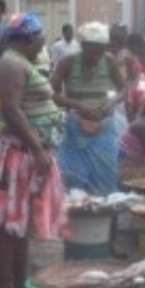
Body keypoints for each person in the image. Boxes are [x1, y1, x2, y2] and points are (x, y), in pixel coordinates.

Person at [0, 12, 65, 288]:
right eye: (40, 37)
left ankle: (20, 285)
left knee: (19, 225)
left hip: (26, 154)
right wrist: (37, 147)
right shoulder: (12, 64)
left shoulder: (20, 61)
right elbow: (10, 109)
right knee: (8, 228)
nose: (43, 42)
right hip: (16, 154)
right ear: (27, 37)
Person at [53, 21, 126, 196]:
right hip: (76, 125)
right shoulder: (67, 62)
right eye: (93, 49)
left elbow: (124, 89)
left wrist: (111, 102)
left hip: (104, 125)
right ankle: (78, 214)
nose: (97, 54)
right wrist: (77, 105)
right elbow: (53, 95)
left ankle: (105, 215)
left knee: (105, 173)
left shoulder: (108, 60)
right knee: (73, 176)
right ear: (83, 45)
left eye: (101, 49)